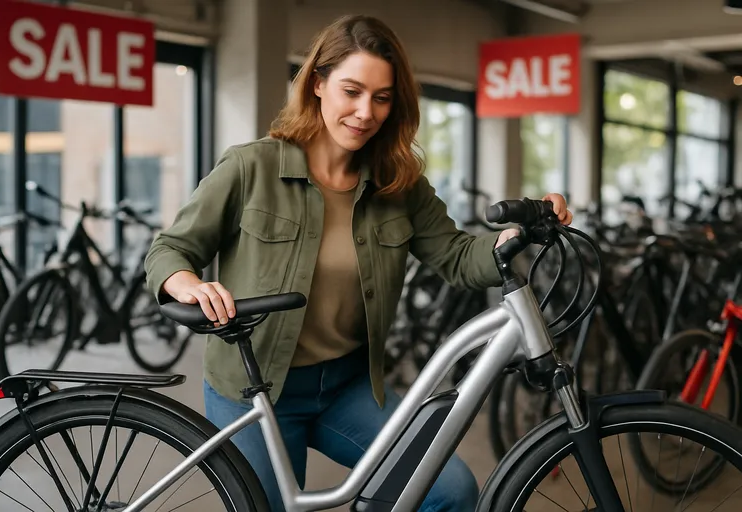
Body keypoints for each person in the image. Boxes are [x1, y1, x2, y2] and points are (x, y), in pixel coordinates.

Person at [144, 13, 572, 512]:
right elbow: (169, 249)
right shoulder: (251, 167)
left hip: (347, 387)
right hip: (254, 388)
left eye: (382, 98)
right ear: (318, 83)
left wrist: (520, 232)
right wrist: (187, 282)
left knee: (449, 490)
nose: (365, 112)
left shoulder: (399, 184)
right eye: (352, 91)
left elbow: (457, 257)